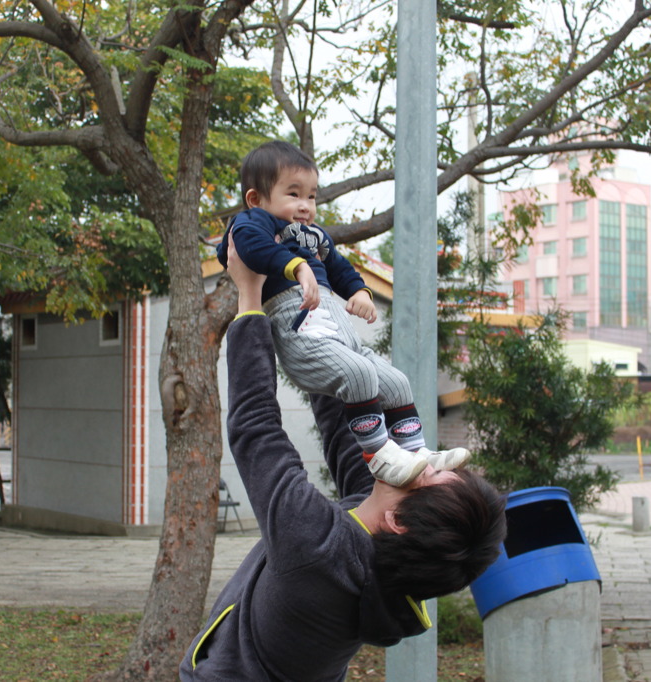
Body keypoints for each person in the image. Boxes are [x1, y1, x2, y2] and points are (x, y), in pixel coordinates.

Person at [179, 233, 506, 681]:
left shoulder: (315, 547)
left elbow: (255, 428)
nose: (425, 459)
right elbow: (342, 419)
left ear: (399, 522)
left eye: (430, 473)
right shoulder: (381, 556)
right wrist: (323, 321)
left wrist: (250, 296)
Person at [216, 140, 467, 488]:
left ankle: (415, 450)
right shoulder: (253, 223)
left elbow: (339, 267)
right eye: (293, 194)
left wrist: (359, 291)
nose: (305, 206)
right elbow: (248, 247)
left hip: (337, 329)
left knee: (396, 382)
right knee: (361, 372)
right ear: (257, 199)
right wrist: (297, 267)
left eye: (312, 196)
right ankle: (379, 454)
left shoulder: (315, 236)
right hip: (301, 329)